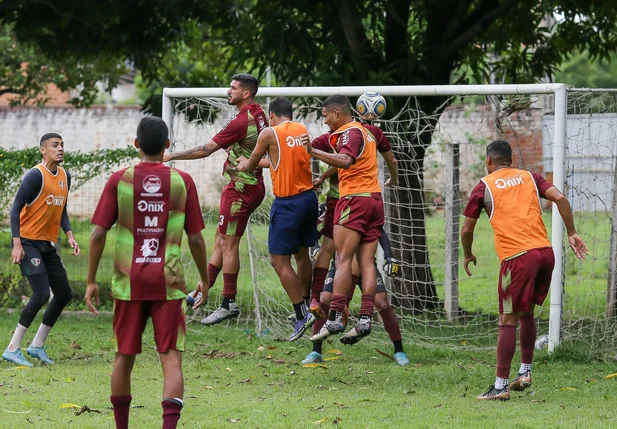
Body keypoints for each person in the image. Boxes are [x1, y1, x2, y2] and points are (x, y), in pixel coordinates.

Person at [86, 117, 209, 429]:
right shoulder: (183, 181)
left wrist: (90, 281)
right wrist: (206, 280)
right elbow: (196, 238)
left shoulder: (120, 180)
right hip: (169, 283)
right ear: (167, 145)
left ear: (136, 144)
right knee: (171, 358)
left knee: (123, 357)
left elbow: (98, 234)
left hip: (128, 282)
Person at [461, 139, 588, 401]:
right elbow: (561, 199)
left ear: (488, 162)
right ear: (511, 161)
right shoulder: (530, 177)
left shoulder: (483, 186)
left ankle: (499, 386)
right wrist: (572, 233)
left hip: (517, 259)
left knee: (507, 320)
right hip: (544, 253)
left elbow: (466, 229)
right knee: (527, 311)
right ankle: (525, 371)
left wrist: (468, 253)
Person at [164, 74, 268, 326]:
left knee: (229, 244)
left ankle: (228, 302)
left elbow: (206, 150)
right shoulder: (259, 112)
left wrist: (169, 156)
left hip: (242, 189)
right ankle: (202, 288)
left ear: (246, 93)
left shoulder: (243, 120)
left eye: (233, 88)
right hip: (249, 185)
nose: (228, 91)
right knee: (220, 239)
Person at [302, 94, 398, 343]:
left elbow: (345, 161)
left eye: (324, 116)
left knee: (343, 258)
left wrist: (312, 152)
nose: (324, 122)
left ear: (336, 112)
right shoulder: (367, 133)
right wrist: (323, 177)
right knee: (365, 261)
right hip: (375, 200)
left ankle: (335, 316)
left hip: (354, 200)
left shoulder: (350, 132)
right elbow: (381, 160)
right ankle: (365, 318)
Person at [236, 97, 318, 341]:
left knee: (278, 261)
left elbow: (251, 164)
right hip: (309, 199)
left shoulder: (268, 133)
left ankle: (301, 314)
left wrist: (241, 164)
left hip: (288, 204)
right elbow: (277, 160)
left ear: (271, 115)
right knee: (302, 255)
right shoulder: (302, 130)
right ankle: (305, 303)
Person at [2, 133, 80, 367]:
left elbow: (62, 209)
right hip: (26, 242)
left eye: (62, 145)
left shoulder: (66, 175)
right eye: (55, 145)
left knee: (64, 293)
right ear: (43, 150)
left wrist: (69, 234)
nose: (60, 148)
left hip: (46, 244)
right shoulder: (35, 176)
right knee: (42, 294)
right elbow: (15, 211)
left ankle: (36, 346)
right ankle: (12, 348)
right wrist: (17, 244)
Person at [304, 225, 409, 366]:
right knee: (324, 299)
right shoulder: (333, 207)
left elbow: (379, 230)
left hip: (366, 266)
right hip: (340, 267)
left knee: (382, 303)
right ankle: (316, 351)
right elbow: (316, 231)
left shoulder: (365, 207)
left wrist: (389, 255)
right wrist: (316, 247)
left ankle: (399, 351)